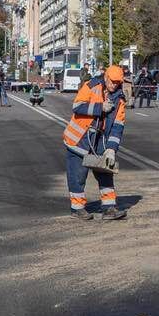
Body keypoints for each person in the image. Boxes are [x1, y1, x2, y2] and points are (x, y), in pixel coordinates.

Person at [62, 64, 128, 220]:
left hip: (100, 143)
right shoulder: (91, 86)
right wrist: (100, 107)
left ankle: (109, 208)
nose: (115, 85)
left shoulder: (120, 100)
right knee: (78, 176)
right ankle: (77, 209)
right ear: (105, 77)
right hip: (79, 140)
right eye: (112, 81)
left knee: (106, 174)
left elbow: (118, 126)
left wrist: (111, 149)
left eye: (118, 82)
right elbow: (77, 106)